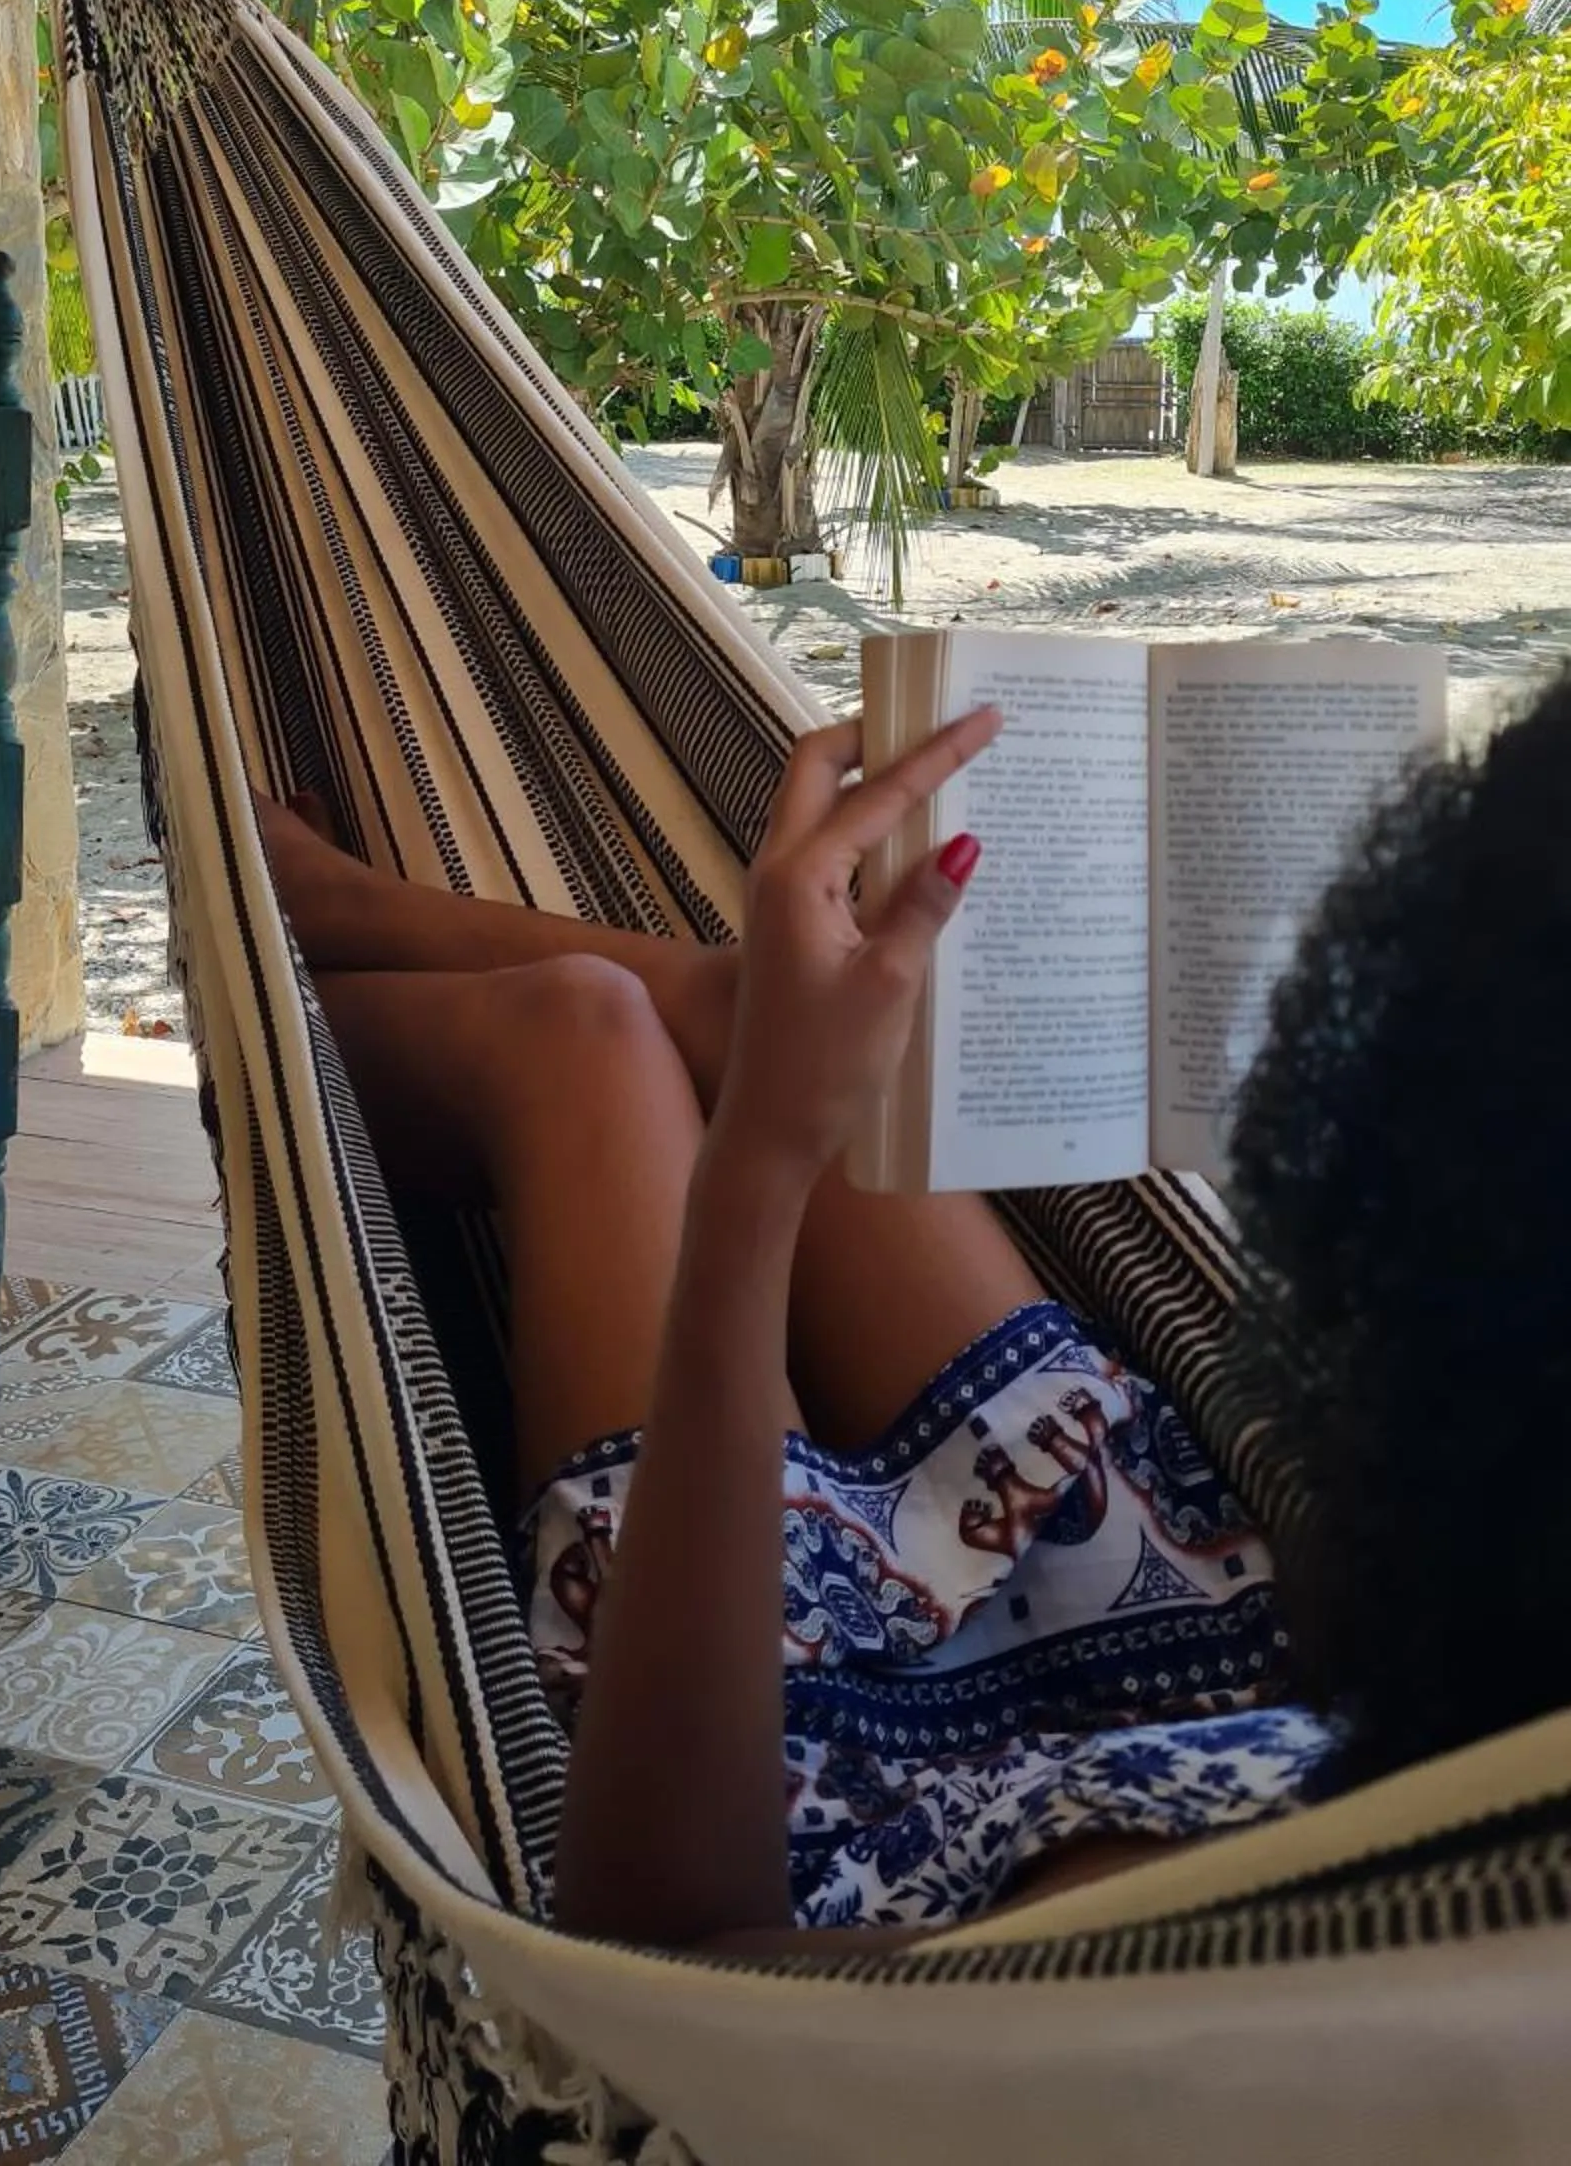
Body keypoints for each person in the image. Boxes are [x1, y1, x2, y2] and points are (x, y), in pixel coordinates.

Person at [257, 672, 1571, 1949]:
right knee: (738, 1025)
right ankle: (352, 914)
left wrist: (759, 1173)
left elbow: (681, 1953)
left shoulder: (1330, 1979)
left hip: (786, 1798)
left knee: (582, 1031)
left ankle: (271, 1004)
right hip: (1169, 1620)